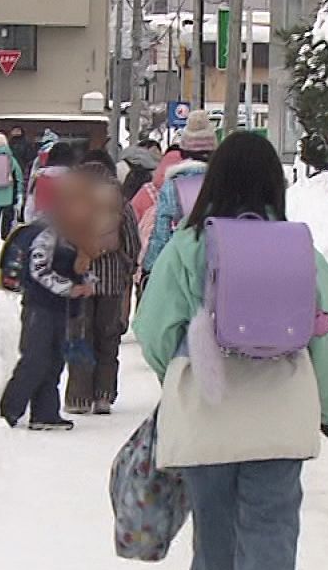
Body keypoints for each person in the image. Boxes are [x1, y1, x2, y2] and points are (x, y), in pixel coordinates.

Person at [133, 131, 328, 570]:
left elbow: (154, 328)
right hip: (280, 414)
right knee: (271, 524)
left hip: (209, 410)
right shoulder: (298, 249)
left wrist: (177, 376)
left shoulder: (187, 249)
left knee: (217, 532)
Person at [0, 170, 96, 431]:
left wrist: (85, 279)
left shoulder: (71, 232)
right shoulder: (48, 230)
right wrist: (70, 289)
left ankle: (45, 413)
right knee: (36, 358)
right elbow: (38, 269)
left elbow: (79, 268)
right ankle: (8, 411)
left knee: (53, 360)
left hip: (57, 307)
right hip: (39, 306)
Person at [64, 155, 141, 414]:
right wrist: (127, 267)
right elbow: (132, 241)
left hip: (81, 281)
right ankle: (103, 396)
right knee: (108, 338)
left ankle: (78, 398)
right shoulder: (120, 202)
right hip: (112, 282)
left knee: (81, 336)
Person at [142, 114, 217, 272]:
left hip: (180, 267)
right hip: (216, 265)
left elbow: (161, 234)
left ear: (183, 152)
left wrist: (149, 269)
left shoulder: (172, 186)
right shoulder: (222, 184)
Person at [132, 144, 185, 268]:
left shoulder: (146, 190)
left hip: (149, 253)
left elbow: (132, 219)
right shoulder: (189, 191)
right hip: (178, 256)